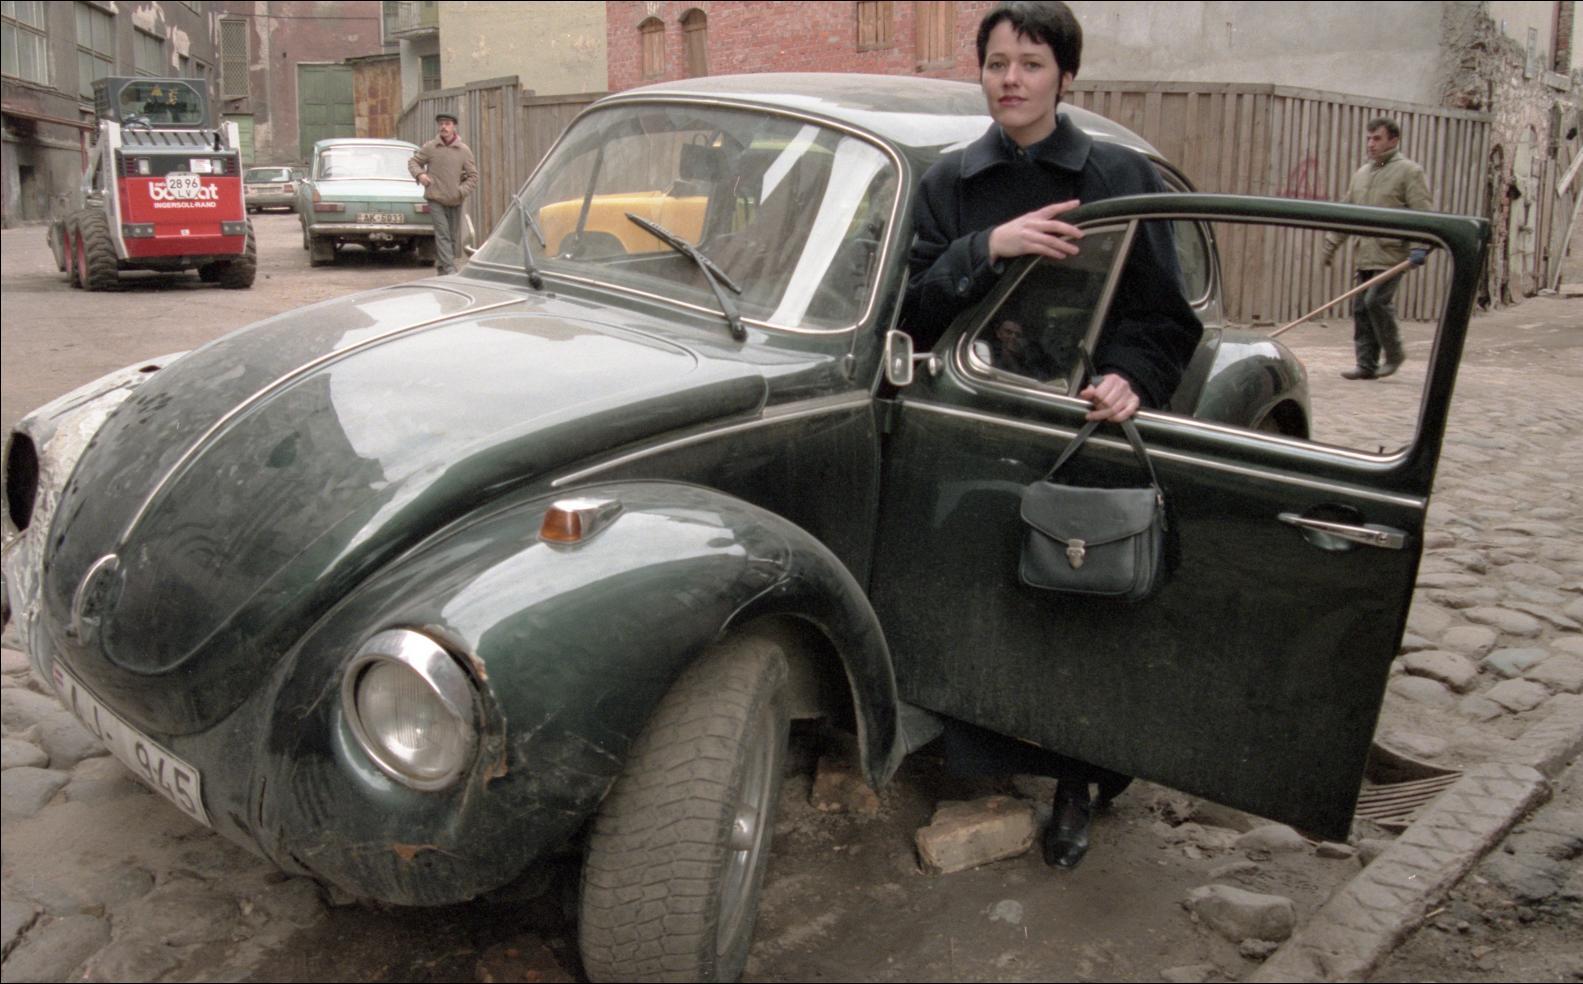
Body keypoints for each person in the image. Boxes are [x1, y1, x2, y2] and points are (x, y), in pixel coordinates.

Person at [904, 0, 1203, 871]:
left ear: (1064, 76)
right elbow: (913, 310)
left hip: (1082, 425)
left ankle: (1078, 780)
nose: (1011, 80)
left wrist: (1129, 377)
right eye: (997, 62)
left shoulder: (1116, 174)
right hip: (979, 419)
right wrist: (986, 246)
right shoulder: (949, 183)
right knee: (987, 590)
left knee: (1080, 604)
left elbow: (1164, 316)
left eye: (1031, 64)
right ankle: (989, 760)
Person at [1322, 117, 1432, 380]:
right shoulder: (1361, 174)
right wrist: (1331, 244)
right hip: (1365, 253)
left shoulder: (1409, 172)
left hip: (1392, 254)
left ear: (1393, 140)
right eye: (1369, 138)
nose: (1371, 144)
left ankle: (1394, 354)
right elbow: (1347, 214)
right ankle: (1366, 365)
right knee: (1361, 308)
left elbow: (1423, 213)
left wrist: (1421, 246)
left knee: (1376, 301)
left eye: (1377, 138)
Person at [409, 112, 480, 276]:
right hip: (435, 198)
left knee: (452, 236)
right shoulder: (431, 147)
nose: (443, 127)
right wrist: (420, 175)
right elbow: (413, 162)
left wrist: (461, 191)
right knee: (443, 234)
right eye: (441, 124)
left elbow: (473, 176)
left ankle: (442, 268)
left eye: (447, 124)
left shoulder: (463, 150)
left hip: (455, 200)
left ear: (454, 126)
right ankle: (449, 269)